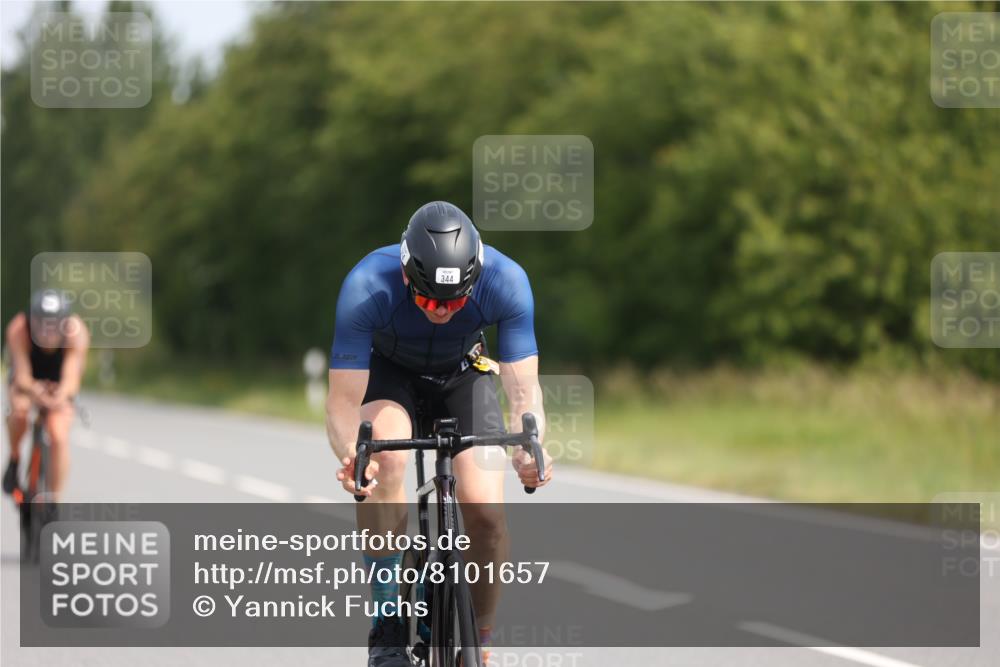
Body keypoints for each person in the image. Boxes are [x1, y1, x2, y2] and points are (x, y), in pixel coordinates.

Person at [326, 201, 553, 667]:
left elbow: (524, 390)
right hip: (391, 377)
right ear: (407, 275)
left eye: (455, 301)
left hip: (463, 375)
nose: (443, 313)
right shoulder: (367, 284)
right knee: (384, 459)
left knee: (486, 516)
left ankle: (481, 636)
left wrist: (529, 448)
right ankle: (388, 623)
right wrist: (353, 454)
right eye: (430, 301)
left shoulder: (506, 281)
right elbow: (344, 403)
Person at [3, 290, 90, 499]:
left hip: (59, 384)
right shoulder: (18, 328)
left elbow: (71, 379)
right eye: (40, 323)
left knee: (58, 433)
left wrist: (60, 396)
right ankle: (14, 459)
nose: (46, 331)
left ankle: (54, 501)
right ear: (31, 319)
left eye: (53, 324)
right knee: (19, 413)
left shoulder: (77, 333)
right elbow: (22, 376)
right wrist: (34, 390)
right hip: (28, 379)